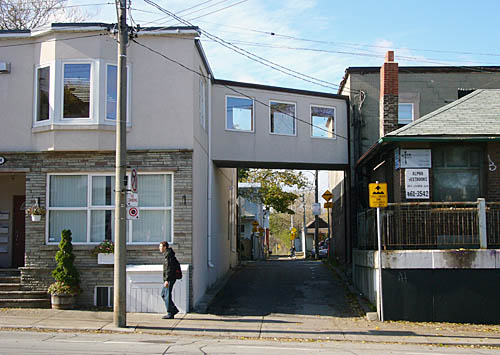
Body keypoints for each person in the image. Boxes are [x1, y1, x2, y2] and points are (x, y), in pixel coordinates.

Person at [159, 241, 179, 319]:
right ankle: (173, 309)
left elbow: (169, 269)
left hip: (169, 279)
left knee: (166, 295)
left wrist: (167, 280)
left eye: (160, 247)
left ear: (165, 247)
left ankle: (170, 313)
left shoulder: (168, 255)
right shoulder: (168, 254)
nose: (159, 248)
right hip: (169, 278)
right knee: (163, 294)